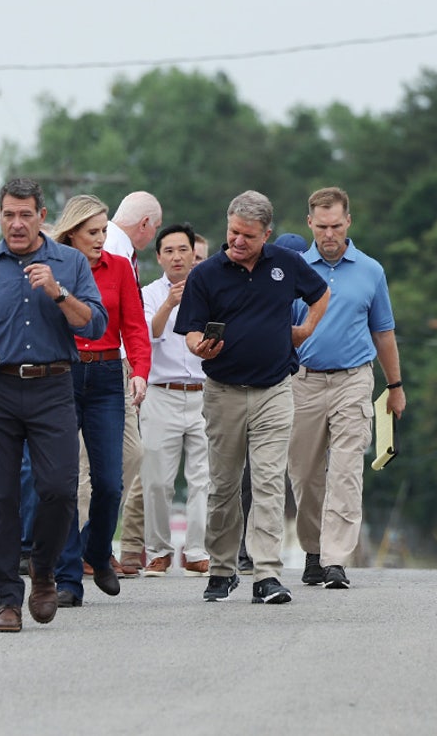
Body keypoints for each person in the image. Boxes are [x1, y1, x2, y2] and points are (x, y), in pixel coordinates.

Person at [0, 177, 106, 632]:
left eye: (25, 215)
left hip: (53, 387)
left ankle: (45, 570)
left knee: (57, 488)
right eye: (9, 214)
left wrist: (58, 292)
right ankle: (7, 600)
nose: (17, 223)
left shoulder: (70, 263)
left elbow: (93, 326)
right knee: (2, 497)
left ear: (42, 217)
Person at [177, 191, 329, 605]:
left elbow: (320, 294)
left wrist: (306, 329)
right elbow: (190, 330)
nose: (237, 241)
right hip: (223, 391)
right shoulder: (206, 274)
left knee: (267, 483)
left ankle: (266, 573)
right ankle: (223, 568)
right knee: (224, 486)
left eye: (247, 235)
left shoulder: (287, 264)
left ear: (267, 234)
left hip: (275, 389)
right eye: (232, 232)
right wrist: (199, 346)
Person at [288, 187, 405, 590]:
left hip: (354, 379)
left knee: (346, 470)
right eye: (321, 226)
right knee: (304, 474)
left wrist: (396, 385)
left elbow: (383, 331)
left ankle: (336, 558)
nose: (329, 234)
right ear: (310, 224)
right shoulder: (296, 268)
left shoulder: (371, 271)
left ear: (348, 222)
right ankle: (313, 551)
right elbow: (281, 329)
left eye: (336, 225)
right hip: (303, 381)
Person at [49, 195, 148, 607]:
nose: (101, 239)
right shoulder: (53, 268)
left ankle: (95, 548)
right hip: (62, 375)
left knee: (110, 481)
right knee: (65, 481)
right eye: (93, 232)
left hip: (109, 375)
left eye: (105, 230)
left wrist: (140, 371)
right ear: (72, 233)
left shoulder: (120, 267)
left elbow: (135, 324)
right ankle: (69, 576)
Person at [139, 223, 212, 577]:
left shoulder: (211, 289)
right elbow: (145, 334)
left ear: (193, 253)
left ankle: (197, 550)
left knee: (203, 478)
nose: (177, 256)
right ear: (159, 257)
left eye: (182, 249)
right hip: (161, 392)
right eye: (168, 251)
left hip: (204, 392)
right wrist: (169, 304)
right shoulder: (149, 293)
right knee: (157, 480)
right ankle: (158, 550)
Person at [104, 190, 162, 577]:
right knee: (102, 459)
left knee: (127, 454)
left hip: (122, 362)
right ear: (145, 225)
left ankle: (95, 538)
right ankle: (90, 540)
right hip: (105, 361)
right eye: (155, 230)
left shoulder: (122, 247)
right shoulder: (112, 246)